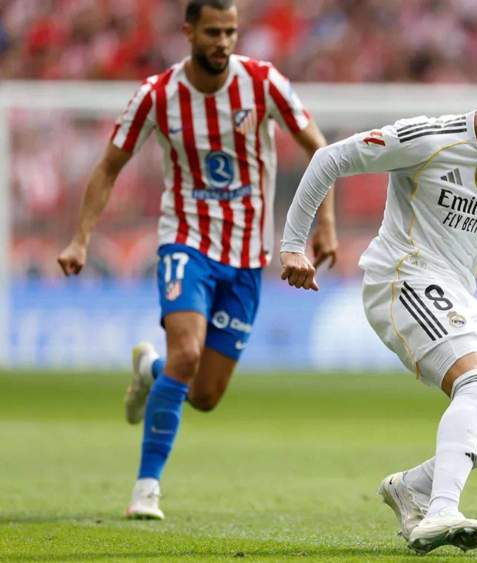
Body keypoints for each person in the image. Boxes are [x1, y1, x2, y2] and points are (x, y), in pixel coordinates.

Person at [55, 0, 337, 520]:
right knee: (187, 355)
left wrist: (324, 224)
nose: (223, 42)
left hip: (249, 254)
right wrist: (80, 239)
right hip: (186, 241)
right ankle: (146, 488)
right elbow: (109, 166)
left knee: (204, 394)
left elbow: (318, 148)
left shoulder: (263, 82)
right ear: (188, 31)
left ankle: (151, 373)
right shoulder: (157, 94)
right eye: (213, 32)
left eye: (231, 31)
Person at [279, 59, 477, 555]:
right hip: (401, 278)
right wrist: (291, 245)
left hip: (459, 296)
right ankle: (441, 510)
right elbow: (329, 158)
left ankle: (414, 485)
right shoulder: (427, 139)